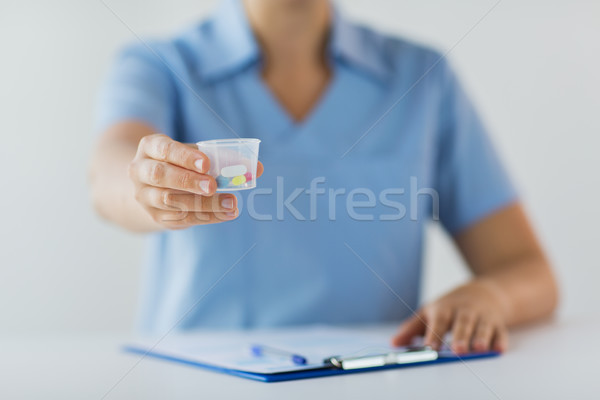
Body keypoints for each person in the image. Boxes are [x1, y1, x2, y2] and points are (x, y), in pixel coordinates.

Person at [89, 0, 558, 354]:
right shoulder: (158, 66)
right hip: (195, 381)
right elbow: (109, 173)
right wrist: (146, 183)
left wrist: (489, 296)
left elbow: (529, 269)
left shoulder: (423, 79)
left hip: (369, 381)